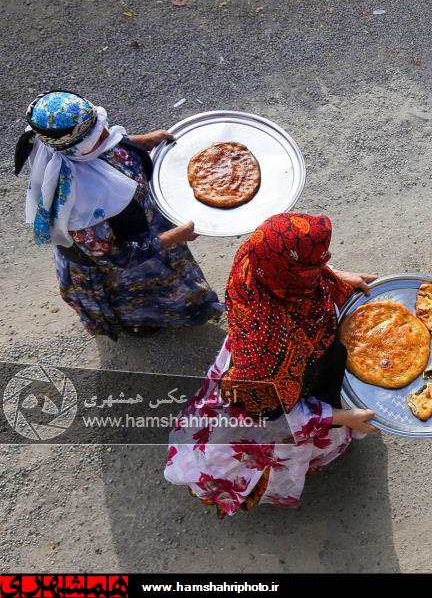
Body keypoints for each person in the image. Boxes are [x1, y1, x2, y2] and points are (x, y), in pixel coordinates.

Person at [164, 213, 377, 516]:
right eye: (320, 260)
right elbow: (273, 419)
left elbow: (295, 268)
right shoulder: (267, 354)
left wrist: (335, 276)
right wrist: (344, 416)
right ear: (299, 274)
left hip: (273, 368)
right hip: (269, 405)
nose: (327, 258)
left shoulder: (256, 257)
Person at [14, 91, 221, 339]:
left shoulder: (64, 145)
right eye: (99, 135)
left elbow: (106, 141)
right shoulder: (80, 206)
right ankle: (142, 325)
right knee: (143, 302)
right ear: (79, 147)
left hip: (140, 230)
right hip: (126, 266)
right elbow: (116, 256)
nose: (107, 135)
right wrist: (172, 237)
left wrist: (138, 141)